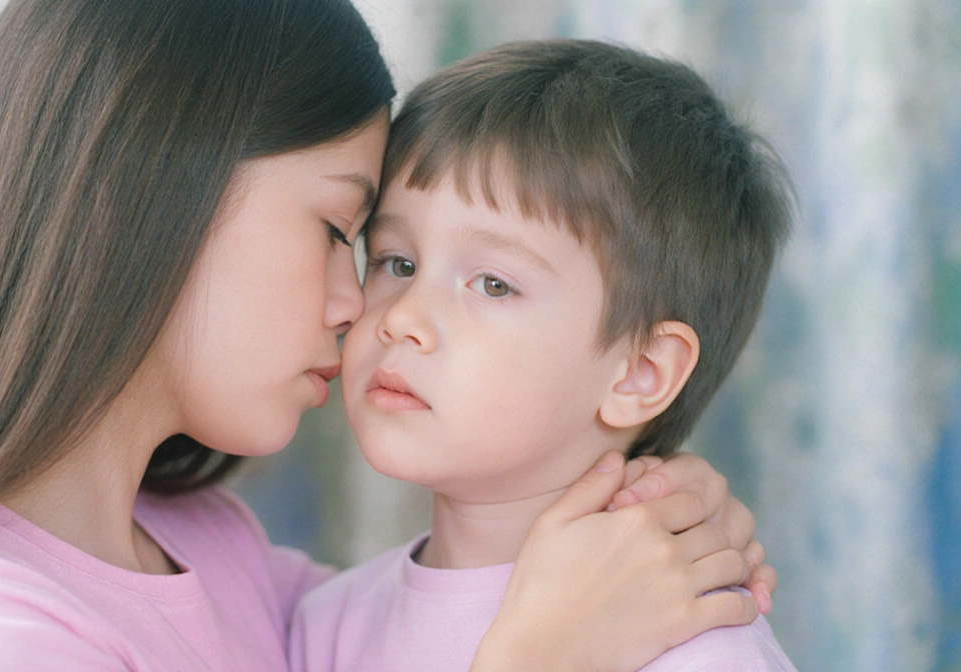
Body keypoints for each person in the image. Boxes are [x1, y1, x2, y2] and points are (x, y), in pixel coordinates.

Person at [0, 3, 772, 671]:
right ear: (147, 195)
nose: (366, 309)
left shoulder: (232, 563)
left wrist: (661, 502)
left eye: (493, 280)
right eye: (356, 238)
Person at [290, 39, 798, 672]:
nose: (402, 319)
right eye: (398, 263)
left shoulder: (701, 651)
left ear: (642, 372)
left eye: (494, 284)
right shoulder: (323, 628)